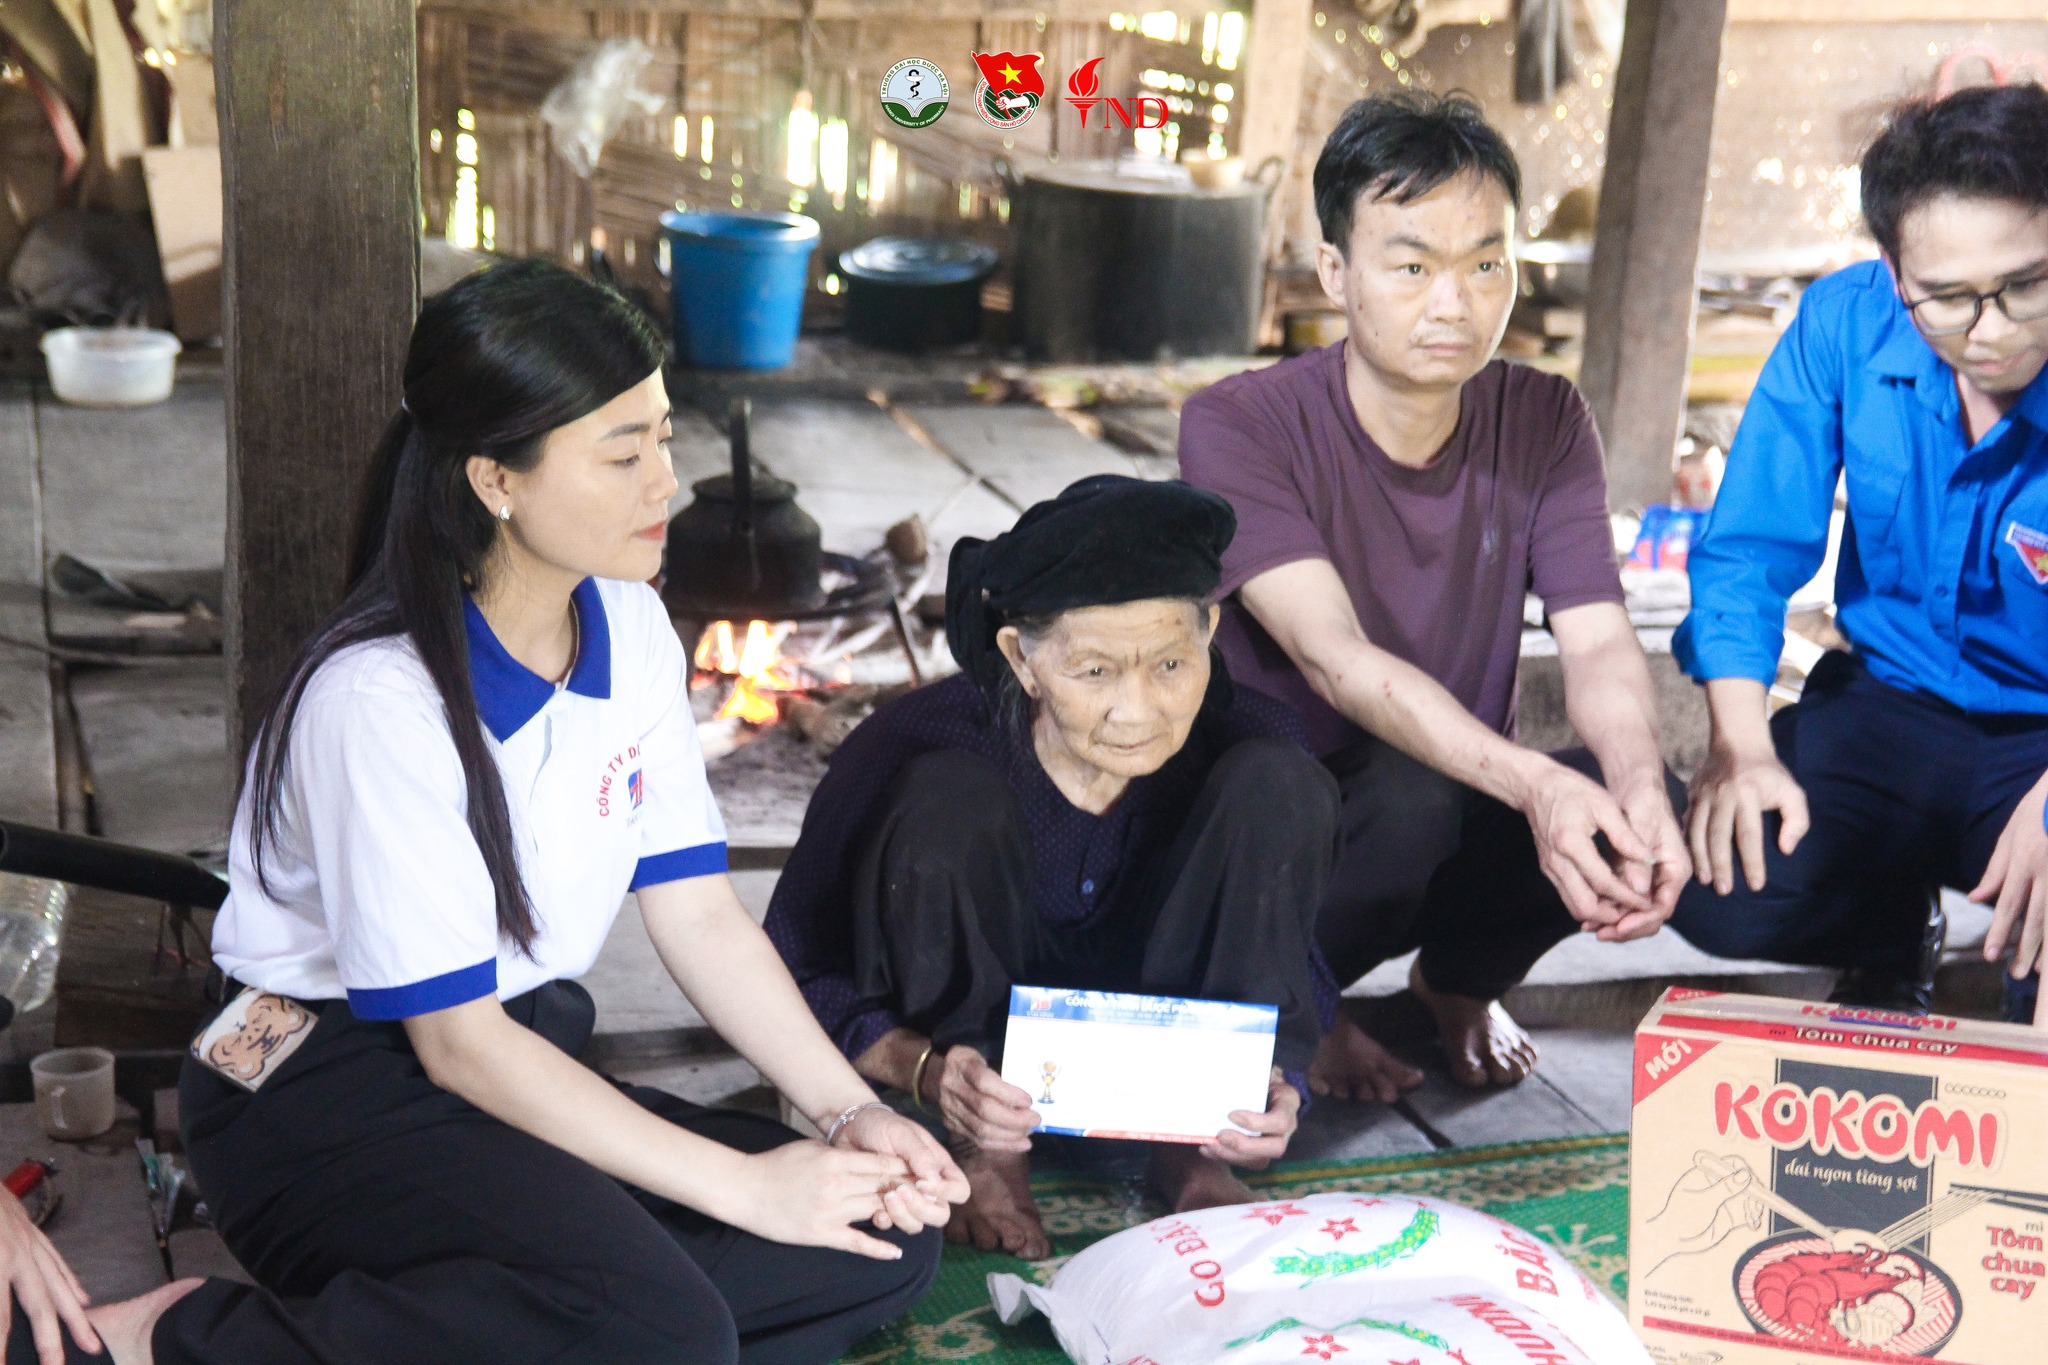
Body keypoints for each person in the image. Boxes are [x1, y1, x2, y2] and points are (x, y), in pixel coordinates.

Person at [78, 260, 967, 1365]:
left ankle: (526, 1327)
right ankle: (182, 1338)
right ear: (497, 479)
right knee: (668, 1329)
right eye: (623, 454)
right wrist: (746, 1187)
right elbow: (455, 1044)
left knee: (878, 1233)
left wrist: (846, 1113)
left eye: (664, 438)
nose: (665, 481)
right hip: (317, 1094)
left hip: (513, 1057)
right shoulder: (380, 700)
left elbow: (698, 914)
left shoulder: (629, 628)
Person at [1180, 92, 1689, 1101]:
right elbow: (1334, 658)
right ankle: (1301, 1001)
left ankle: (1455, 984)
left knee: (1633, 797)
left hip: (1451, 793)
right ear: (1335, 274)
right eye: (1411, 267)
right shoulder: (1238, 426)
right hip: (1275, 837)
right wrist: (1535, 785)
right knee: (1417, 794)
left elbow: (1595, 640)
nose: (1453, 304)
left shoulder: (1543, 418)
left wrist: (1632, 780)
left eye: (1484, 264)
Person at [765, 476, 1340, 1261]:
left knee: (1277, 782)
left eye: (1171, 664)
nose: (1139, 710)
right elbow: (788, 963)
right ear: (1022, 659)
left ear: (1210, 631)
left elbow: (1296, 949)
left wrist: (1281, 1081)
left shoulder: (1252, 741)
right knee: (947, 795)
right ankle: (989, 1151)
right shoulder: (909, 740)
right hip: (975, 1080)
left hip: (1174, 1076)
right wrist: (923, 1067)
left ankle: (1192, 1149)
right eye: (1096, 671)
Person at [1671, 82, 2048, 1021]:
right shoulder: (1843, 323)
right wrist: (1740, 745)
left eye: (2027, 285)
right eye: (1946, 298)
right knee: (1727, 879)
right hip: (1891, 705)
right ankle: (1889, 931)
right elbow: (1746, 552)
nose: (1991, 329)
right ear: (1894, 271)